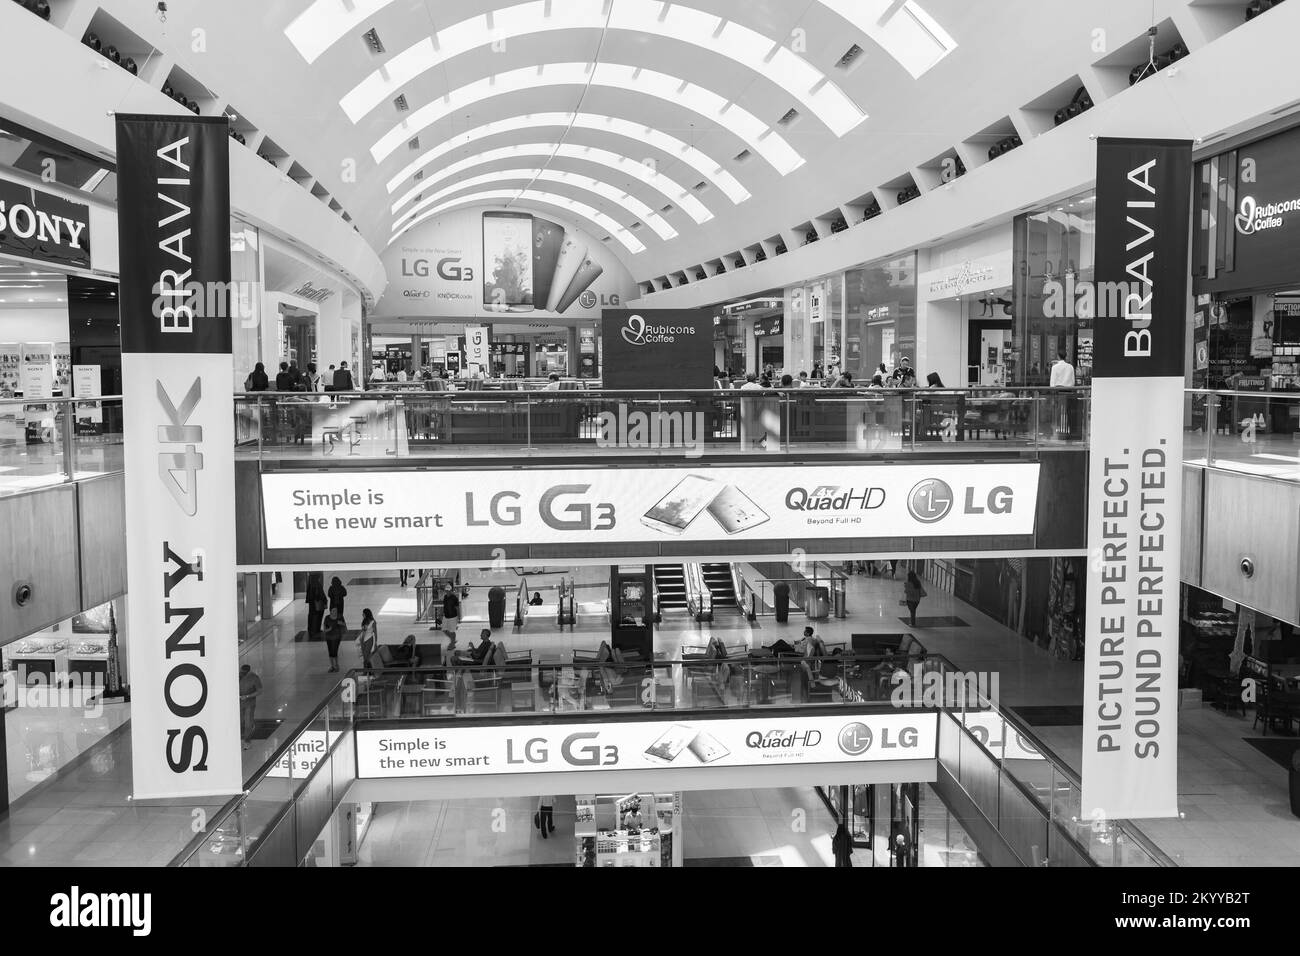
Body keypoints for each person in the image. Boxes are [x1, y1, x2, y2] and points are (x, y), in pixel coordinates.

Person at [1050, 349, 1077, 438]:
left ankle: (1057, 430)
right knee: (1068, 412)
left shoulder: (1055, 367)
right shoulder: (1070, 367)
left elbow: (1052, 383)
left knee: (1057, 411)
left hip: (1058, 391)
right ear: (1066, 356)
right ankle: (1069, 430)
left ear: (1058, 356)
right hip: (1068, 390)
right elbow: (1073, 382)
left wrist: (1052, 392)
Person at [238, 664, 262, 750]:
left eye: (243, 672)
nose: (241, 673)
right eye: (241, 672)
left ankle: (247, 741)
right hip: (238, 703)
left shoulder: (254, 678)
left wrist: (248, 696)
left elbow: (259, 691)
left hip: (249, 704)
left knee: (248, 723)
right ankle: (238, 739)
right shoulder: (237, 676)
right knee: (238, 722)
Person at [321, 607, 346, 672]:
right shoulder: (327, 618)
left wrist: (341, 623)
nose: (335, 612)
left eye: (336, 611)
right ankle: (332, 666)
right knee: (330, 652)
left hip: (337, 637)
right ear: (330, 611)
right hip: (329, 637)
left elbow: (344, 625)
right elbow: (324, 630)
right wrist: (329, 629)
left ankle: (336, 665)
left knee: (334, 651)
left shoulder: (340, 617)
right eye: (333, 610)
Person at [305, 572, 327, 640]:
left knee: (312, 617)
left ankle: (312, 630)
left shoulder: (311, 584)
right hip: (317, 605)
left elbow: (309, 596)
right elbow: (319, 595)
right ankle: (315, 630)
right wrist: (324, 600)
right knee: (317, 617)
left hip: (312, 605)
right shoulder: (316, 584)